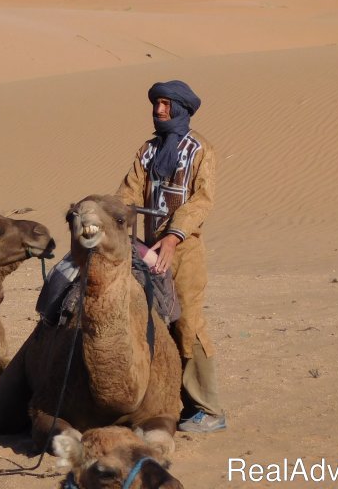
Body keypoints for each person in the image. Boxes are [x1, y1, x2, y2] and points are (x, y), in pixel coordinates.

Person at [116, 79, 226, 433]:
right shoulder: (148, 151)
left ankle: (208, 409)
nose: (158, 110)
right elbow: (129, 193)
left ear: (180, 109)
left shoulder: (200, 151)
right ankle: (164, 402)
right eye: (156, 104)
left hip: (184, 250)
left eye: (165, 105)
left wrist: (173, 237)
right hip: (147, 250)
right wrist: (110, 218)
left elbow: (201, 201)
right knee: (151, 322)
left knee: (187, 322)